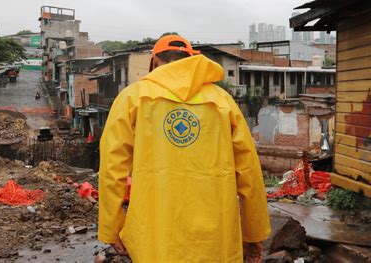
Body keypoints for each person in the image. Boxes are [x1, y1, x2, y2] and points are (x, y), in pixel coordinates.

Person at [98, 34, 270, 262]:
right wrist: (253, 233)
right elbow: (248, 172)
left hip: (155, 239)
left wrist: (111, 229)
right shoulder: (222, 102)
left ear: (154, 62)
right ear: (191, 60)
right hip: (215, 240)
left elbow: (112, 171)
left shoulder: (132, 99)